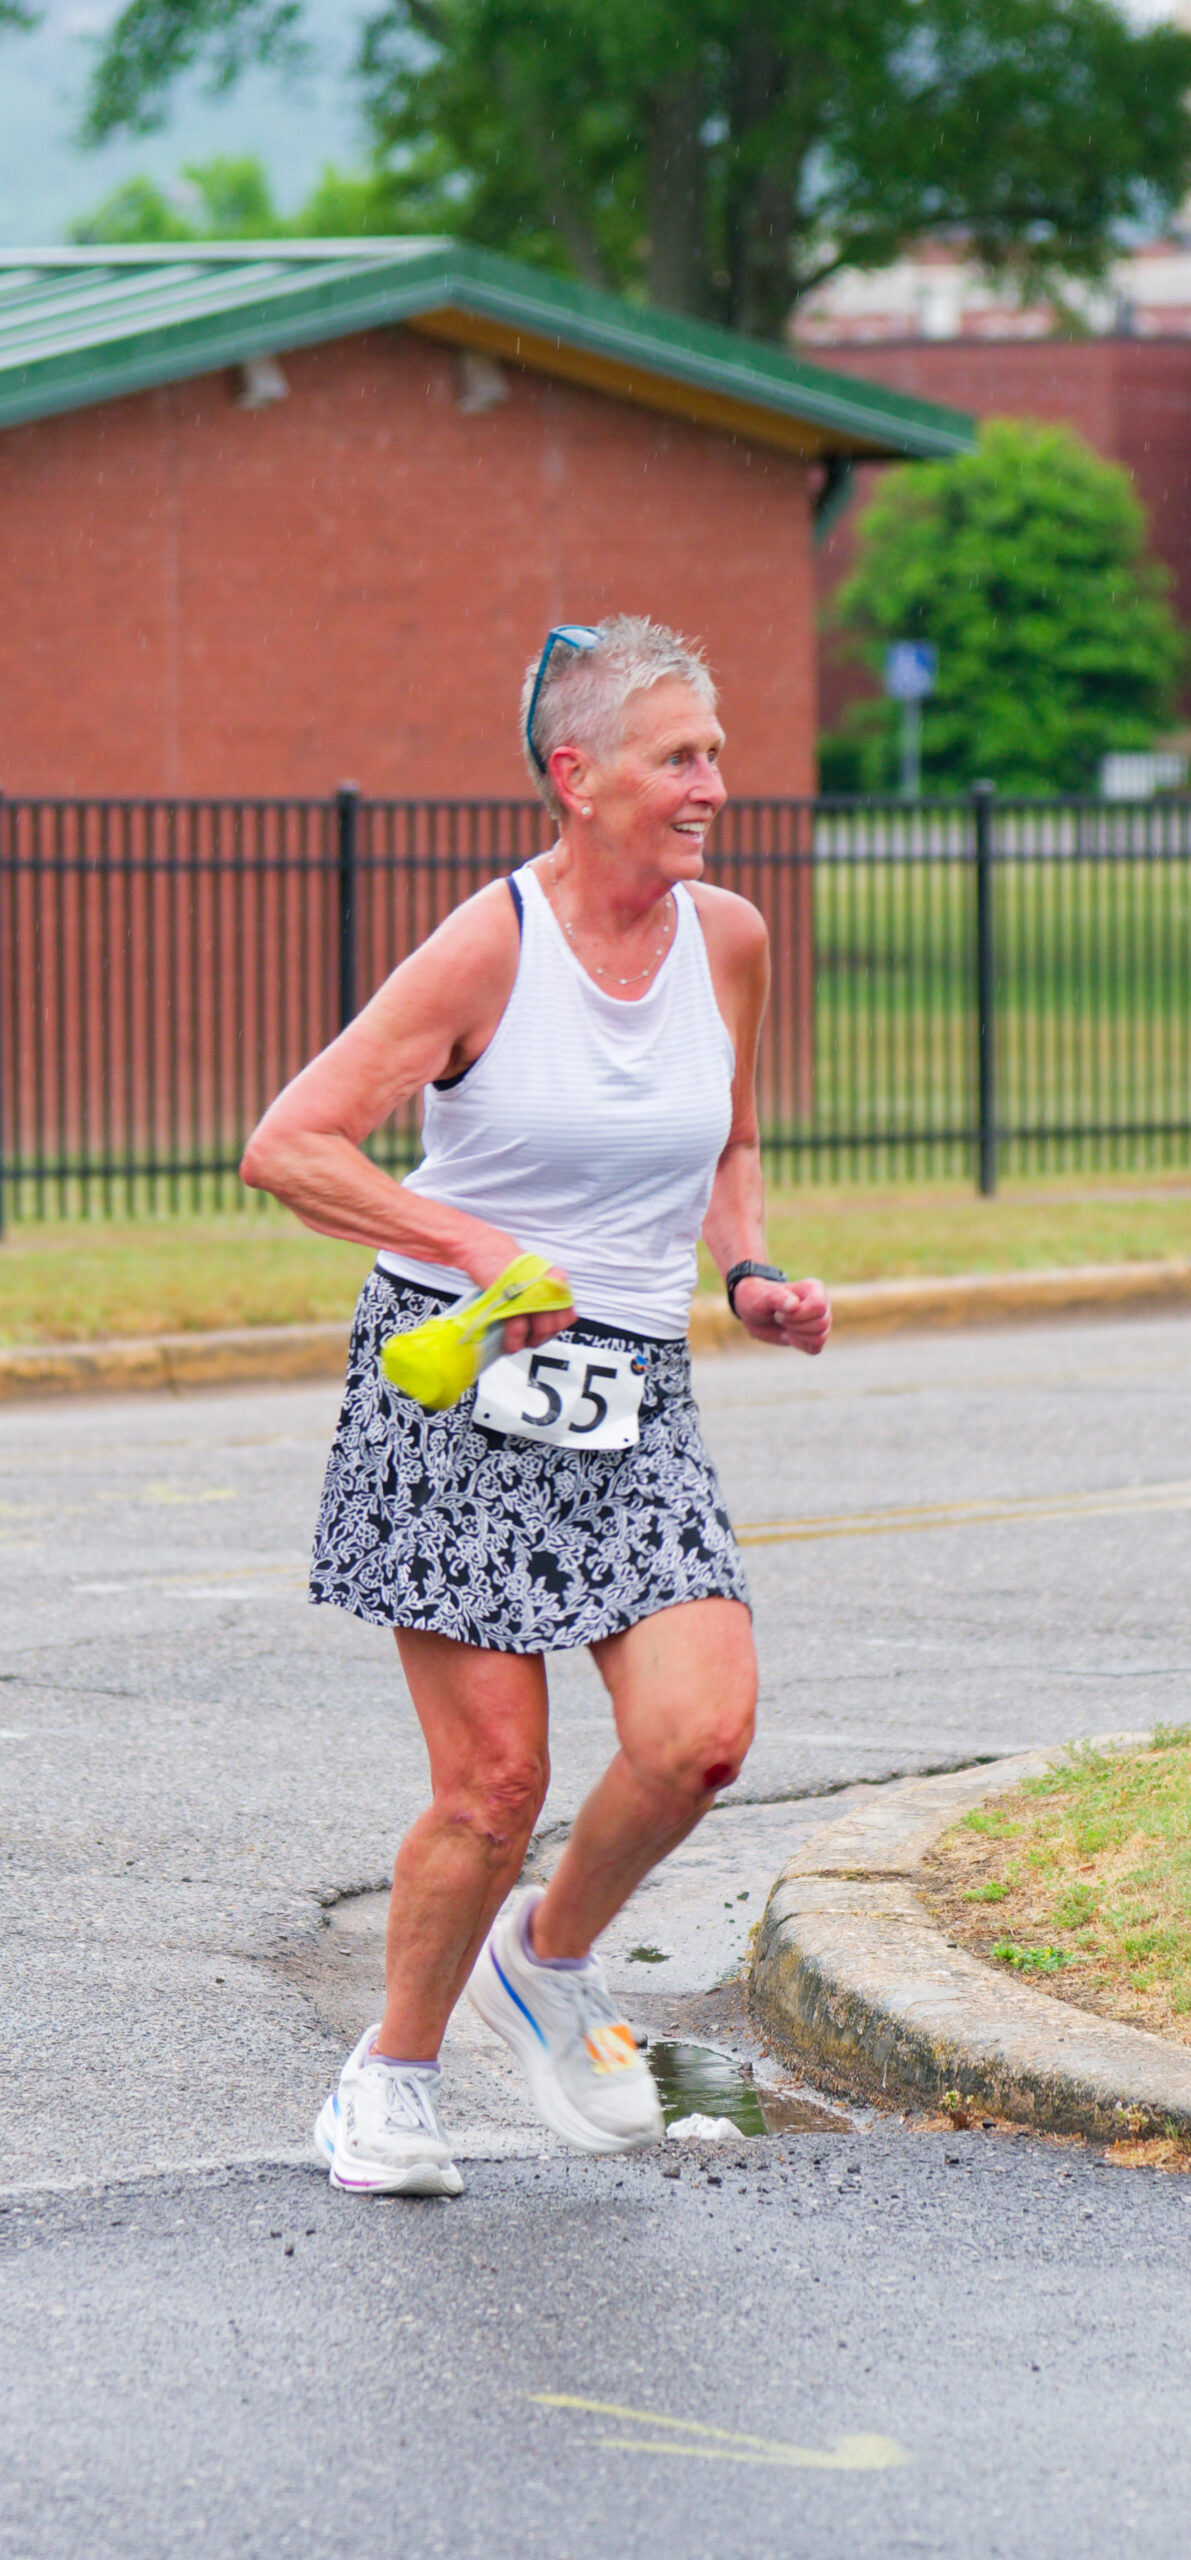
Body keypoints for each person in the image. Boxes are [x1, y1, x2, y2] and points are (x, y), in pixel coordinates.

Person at [241, 615, 830, 2196]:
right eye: (679, 756)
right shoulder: (489, 945)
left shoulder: (729, 941)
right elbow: (292, 1143)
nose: (715, 783)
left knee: (702, 1737)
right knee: (495, 1785)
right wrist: (471, 1240)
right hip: (460, 1384)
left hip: (634, 1385)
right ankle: (392, 2078)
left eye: (715, 751)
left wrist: (752, 1269)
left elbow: (726, 1140)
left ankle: (547, 1967)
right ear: (578, 777)